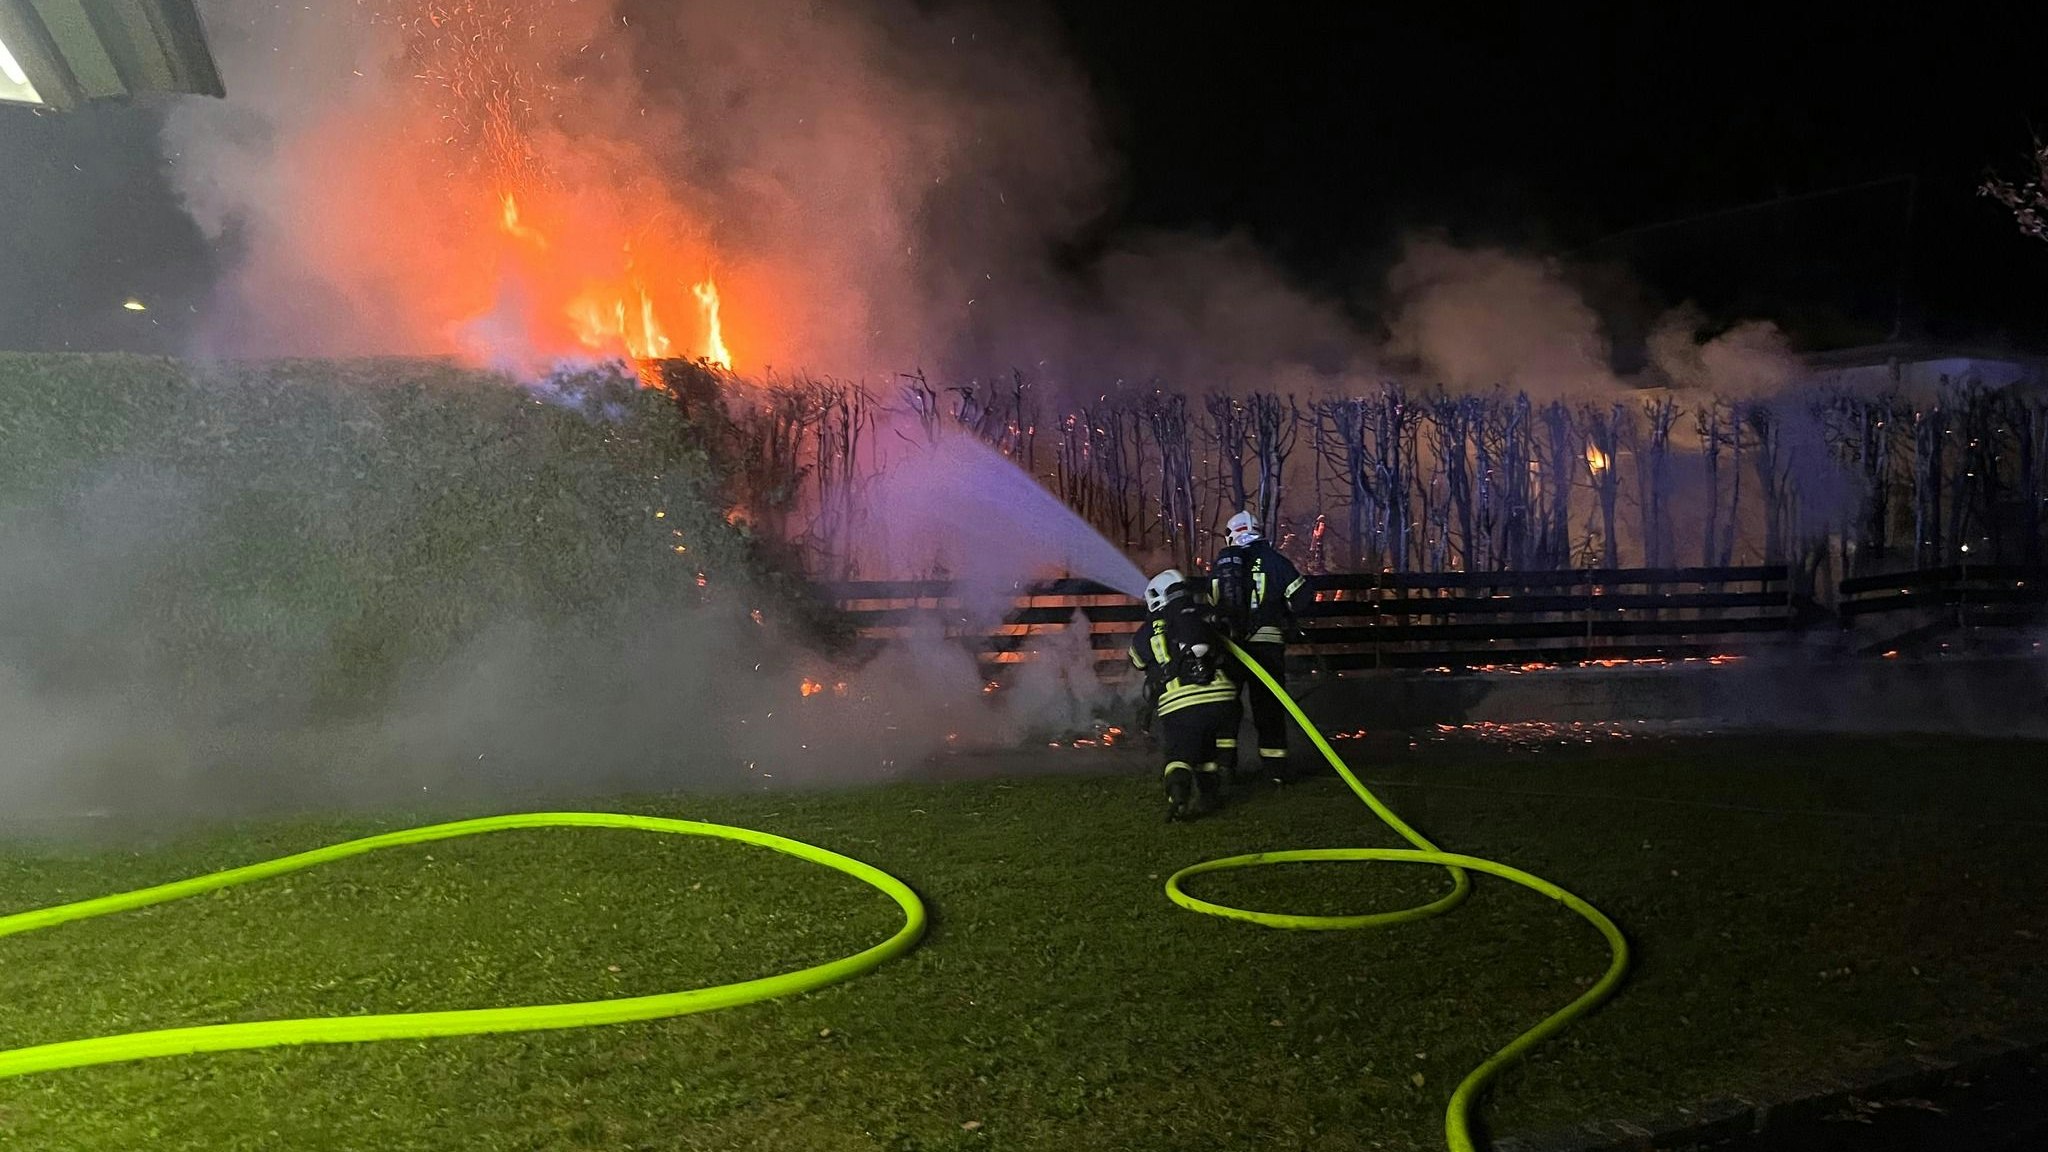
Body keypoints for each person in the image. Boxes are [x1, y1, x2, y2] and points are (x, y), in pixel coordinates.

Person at [1210, 510, 1315, 782]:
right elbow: (1302, 598)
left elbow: (1215, 601)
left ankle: (1225, 767)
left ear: (1231, 534)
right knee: (1268, 707)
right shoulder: (1276, 561)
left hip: (1233, 645)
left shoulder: (1225, 564)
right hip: (1267, 645)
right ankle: (1275, 770)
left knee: (1227, 704)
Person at [1129, 568, 1241, 821]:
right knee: (1207, 754)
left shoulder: (1144, 632)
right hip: (1222, 696)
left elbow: (1136, 661)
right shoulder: (1198, 619)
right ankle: (1213, 789)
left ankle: (1178, 796)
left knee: (1178, 755)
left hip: (1180, 703)